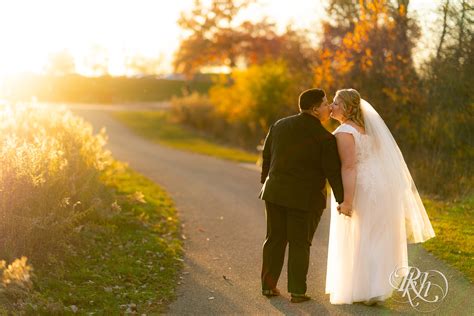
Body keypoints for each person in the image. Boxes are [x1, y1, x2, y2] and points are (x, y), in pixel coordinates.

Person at [325, 88, 436, 305]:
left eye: (336, 103)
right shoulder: (368, 130)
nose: (331, 107)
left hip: (363, 187)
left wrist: (347, 201)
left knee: (362, 235)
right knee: (377, 235)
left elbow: (348, 167)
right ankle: (377, 289)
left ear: (347, 107)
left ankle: (366, 289)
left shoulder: (344, 131)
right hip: (383, 185)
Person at [259, 88, 344, 303]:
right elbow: (332, 173)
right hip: (305, 201)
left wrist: (265, 181)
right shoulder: (325, 138)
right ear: (315, 109)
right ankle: (297, 291)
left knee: (274, 239)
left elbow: (267, 154)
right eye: (325, 104)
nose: (328, 107)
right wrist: (343, 199)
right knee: (299, 243)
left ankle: (268, 287)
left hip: (274, 193)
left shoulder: (279, 125)